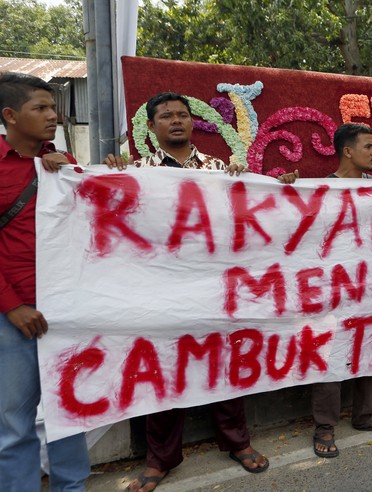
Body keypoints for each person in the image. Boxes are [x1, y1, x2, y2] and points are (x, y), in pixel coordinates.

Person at [103, 92, 266, 492]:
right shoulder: (135, 171)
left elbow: (249, 218)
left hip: (214, 288)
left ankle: (237, 442)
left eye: (182, 115)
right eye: (166, 116)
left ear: (193, 123)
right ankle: (160, 459)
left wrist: (277, 187)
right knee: (164, 373)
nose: (176, 121)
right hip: (160, 292)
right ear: (152, 126)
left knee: (226, 365)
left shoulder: (220, 170)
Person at [0, 71, 90, 491]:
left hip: (64, 309)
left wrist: (74, 173)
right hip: (12, 315)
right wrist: (12, 306)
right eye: (40, 108)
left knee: (67, 409)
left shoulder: (65, 166)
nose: (52, 116)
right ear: (11, 116)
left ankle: (71, 486)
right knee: (14, 421)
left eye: (53, 108)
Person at [308, 123, 372, 458]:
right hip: (335, 291)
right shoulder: (322, 189)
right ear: (348, 151)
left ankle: (365, 415)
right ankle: (325, 425)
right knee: (333, 357)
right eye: (369, 146)